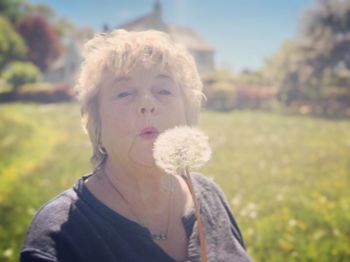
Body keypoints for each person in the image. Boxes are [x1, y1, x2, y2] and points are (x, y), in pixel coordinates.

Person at [20, 29, 252, 262]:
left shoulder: (210, 194)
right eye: (124, 93)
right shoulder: (58, 238)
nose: (147, 103)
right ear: (96, 120)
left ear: (187, 112)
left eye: (163, 90)